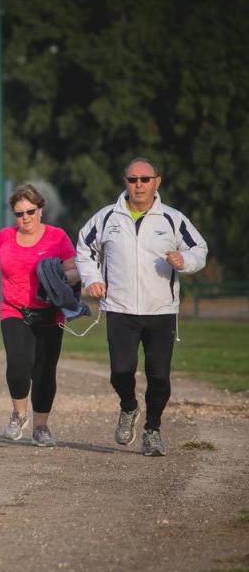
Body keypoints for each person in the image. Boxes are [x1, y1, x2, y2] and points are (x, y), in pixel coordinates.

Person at [75, 157, 208, 456]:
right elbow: (84, 248)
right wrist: (93, 279)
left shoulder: (172, 219)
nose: (138, 185)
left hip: (160, 309)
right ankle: (128, 406)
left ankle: (153, 430)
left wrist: (184, 261)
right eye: (132, 179)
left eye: (144, 179)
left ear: (156, 182)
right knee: (120, 372)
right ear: (125, 182)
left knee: (159, 376)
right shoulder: (107, 217)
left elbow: (199, 248)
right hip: (120, 308)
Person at [0, 185, 78, 447]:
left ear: (40, 210)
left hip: (49, 312)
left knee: (45, 370)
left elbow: (74, 269)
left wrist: (58, 279)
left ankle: (41, 427)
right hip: (14, 309)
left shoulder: (57, 237)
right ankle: (19, 413)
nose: (25, 218)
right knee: (19, 364)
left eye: (30, 211)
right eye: (19, 213)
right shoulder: (4, 237)